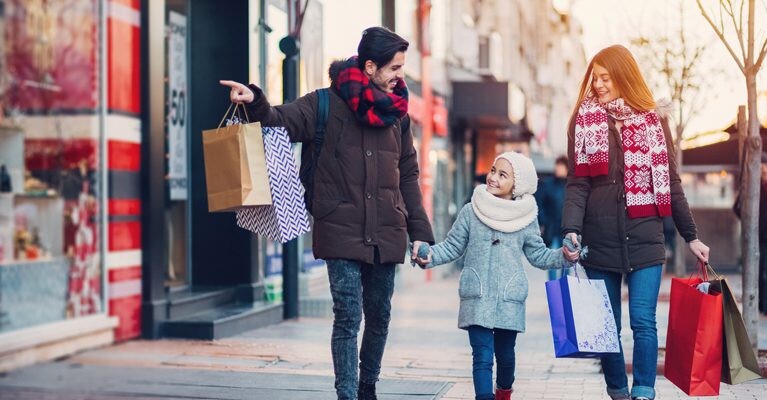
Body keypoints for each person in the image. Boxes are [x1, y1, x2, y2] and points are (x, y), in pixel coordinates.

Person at [220, 27, 435, 400]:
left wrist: (420, 233)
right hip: (338, 226)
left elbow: (409, 174)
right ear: (370, 67)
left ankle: (367, 386)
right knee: (348, 315)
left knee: (380, 316)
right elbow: (277, 120)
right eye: (395, 68)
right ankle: (348, 394)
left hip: (387, 228)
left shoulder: (399, 115)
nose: (401, 75)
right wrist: (254, 99)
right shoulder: (323, 103)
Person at [562, 44, 710, 400]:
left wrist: (691, 236)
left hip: (645, 236)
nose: (597, 84)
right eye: (594, 77)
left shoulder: (654, 121)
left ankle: (643, 392)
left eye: (605, 77)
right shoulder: (583, 121)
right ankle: (618, 391)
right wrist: (571, 229)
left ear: (624, 76)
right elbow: (578, 183)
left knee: (643, 322)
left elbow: (671, 182)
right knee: (606, 325)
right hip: (600, 238)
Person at [414, 151, 579, 400]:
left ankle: (504, 392)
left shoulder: (526, 219)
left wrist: (564, 256)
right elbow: (452, 246)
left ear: (518, 185)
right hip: (476, 294)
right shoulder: (471, 211)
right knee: (481, 355)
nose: (493, 178)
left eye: (503, 175)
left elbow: (539, 256)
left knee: (505, 356)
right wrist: (429, 256)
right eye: (493, 170)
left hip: (508, 298)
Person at [733, 152, 767, 315]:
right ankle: (761, 304)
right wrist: (749, 223)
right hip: (757, 236)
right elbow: (736, 207)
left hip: (762, 235)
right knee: (758, 271)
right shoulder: (751, 186)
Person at [535, 155, 569, 280]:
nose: (558, 169)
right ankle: (554, 289)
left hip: (567, 230)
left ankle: (565, 286)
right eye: (557, 166)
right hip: (552, 228)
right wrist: (543, 221)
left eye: (561, 166)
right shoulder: (548, 185)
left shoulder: (572, 186)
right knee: (552, 260)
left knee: (567, 261)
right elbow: (539, 205)